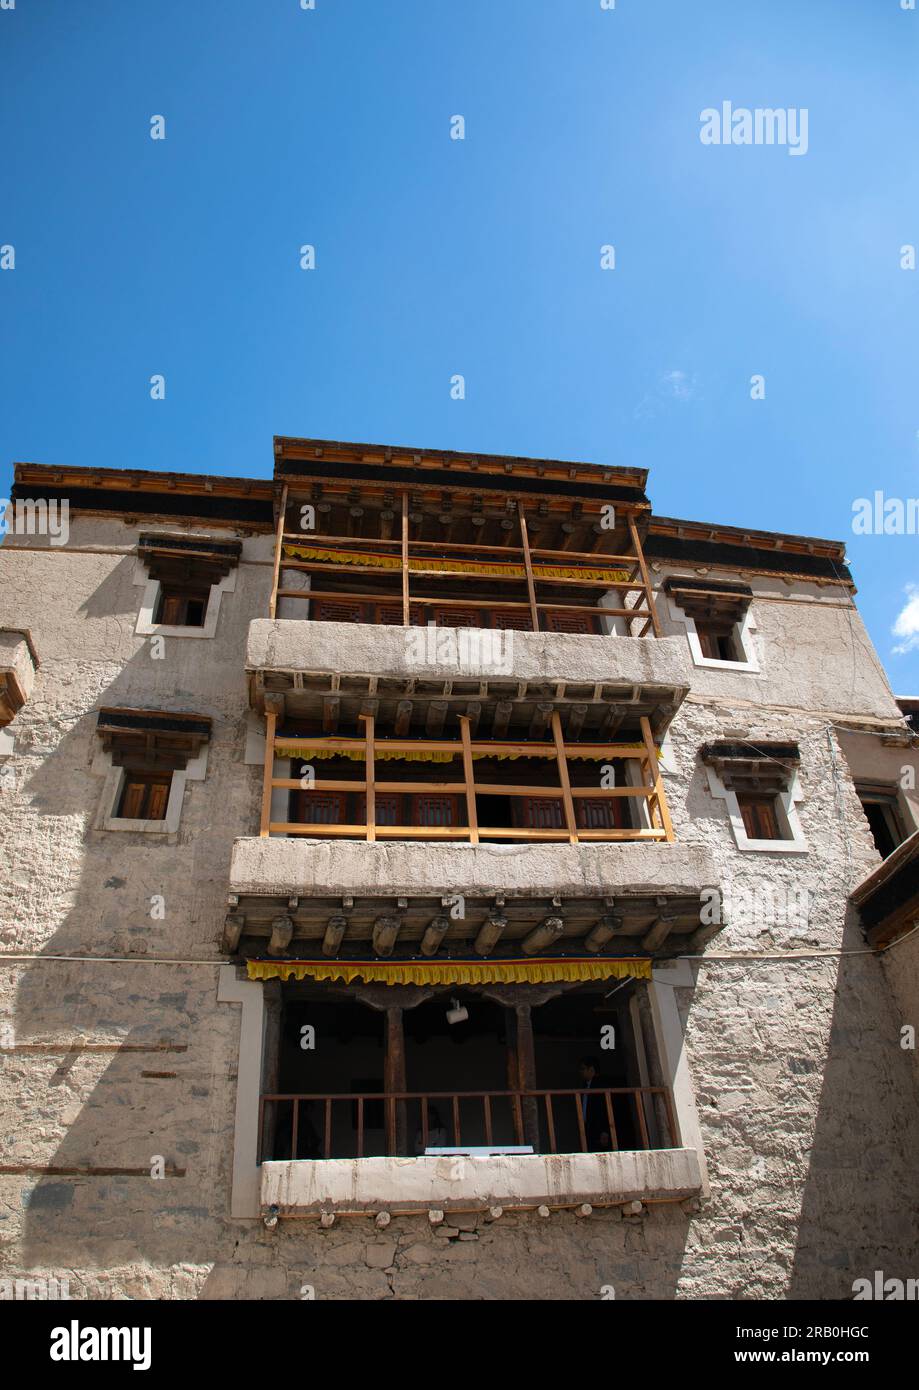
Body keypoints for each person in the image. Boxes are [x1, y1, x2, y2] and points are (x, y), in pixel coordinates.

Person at [577, 1056, 612, 1152]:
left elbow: (603, 1108)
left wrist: (604, 1130)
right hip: (589, 1127)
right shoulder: (586, 1085)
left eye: (583, 1069)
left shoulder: (600, 1085)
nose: (581, 1072)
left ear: (591, 1070)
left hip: (598, 1128)